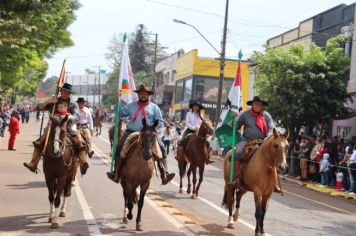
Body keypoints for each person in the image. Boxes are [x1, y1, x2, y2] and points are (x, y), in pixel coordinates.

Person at [107, 84, 175, 184]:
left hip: (148, 134)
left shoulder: (154, 107)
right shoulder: (131, 105)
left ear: (148, 95)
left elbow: (160, 122)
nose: (143, 95)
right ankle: (116, 173)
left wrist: (151, 129)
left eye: (145, 94)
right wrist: (118, 100)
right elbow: (121, 113)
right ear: (138, 95)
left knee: (162, 148)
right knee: (119, 147)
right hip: (132, 131)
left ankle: (165, 174)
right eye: (141, 93)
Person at [23, 83, 83, 173]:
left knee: (80, 142)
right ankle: (33, 163)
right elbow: (38, 108)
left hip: (68, 127)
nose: (65, 93)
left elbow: (77, 116)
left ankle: (81, 162)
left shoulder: (73, 104)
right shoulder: (53, 102)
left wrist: (69, 117)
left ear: (70, 94)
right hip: (53, 127)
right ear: (60, 91)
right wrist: (48, 102)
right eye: (64, 91)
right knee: (39, 143)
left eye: (68, 92)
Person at [230, 96, 281, 193]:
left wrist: (268, 137)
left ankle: (274, 183)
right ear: (252, 105)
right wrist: (234, 122)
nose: (258, 105)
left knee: (276, 154)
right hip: (247, 140)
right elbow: (237, 126)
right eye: (256, 104)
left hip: (263, 141)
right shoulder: (245, 114)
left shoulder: (266, 116)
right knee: (238, 151)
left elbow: (271, 128)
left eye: (260, 104)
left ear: (262, 106)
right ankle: (236, 178)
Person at [180, 100, 214, 164]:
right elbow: (187, 123)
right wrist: (194, 127)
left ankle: (207, 158)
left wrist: (202, 128)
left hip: (199, 132)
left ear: (199, 108)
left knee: (207, 143)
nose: (196, 108)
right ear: (192, 107)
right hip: (190, 130)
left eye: (197, 107)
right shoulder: (189, 114)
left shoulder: (200, 115)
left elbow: (203, 124)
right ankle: (181, 156)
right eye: (195, 106)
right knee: (183, 140)